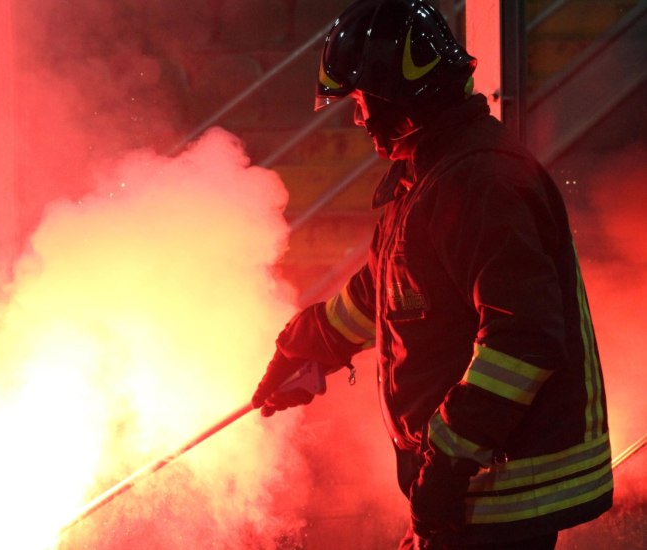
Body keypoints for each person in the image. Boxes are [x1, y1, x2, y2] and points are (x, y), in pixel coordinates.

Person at [251, 0, 613, 548]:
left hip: (502, 486)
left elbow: (523, 342)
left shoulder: (480, 183)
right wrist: (310, 343)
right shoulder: (431, 174)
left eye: (361, 100)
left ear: (403, 97)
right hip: (473, 483)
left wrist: (447, 461)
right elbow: (388, 290)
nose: (358, 117)